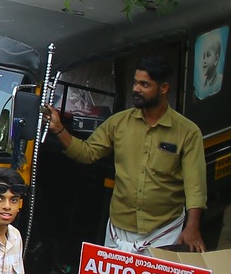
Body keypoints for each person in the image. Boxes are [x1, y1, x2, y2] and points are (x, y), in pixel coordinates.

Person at [48, 55, 207, 252]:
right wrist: (59, 129)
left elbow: (195, 186)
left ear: (163, 88)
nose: (136, 89)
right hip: (118, 230)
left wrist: (192, 226)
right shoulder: (118, 123)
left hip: (164, 231)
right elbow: (87, 153)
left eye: (144, 84)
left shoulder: (188, 132)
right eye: (135, 83)